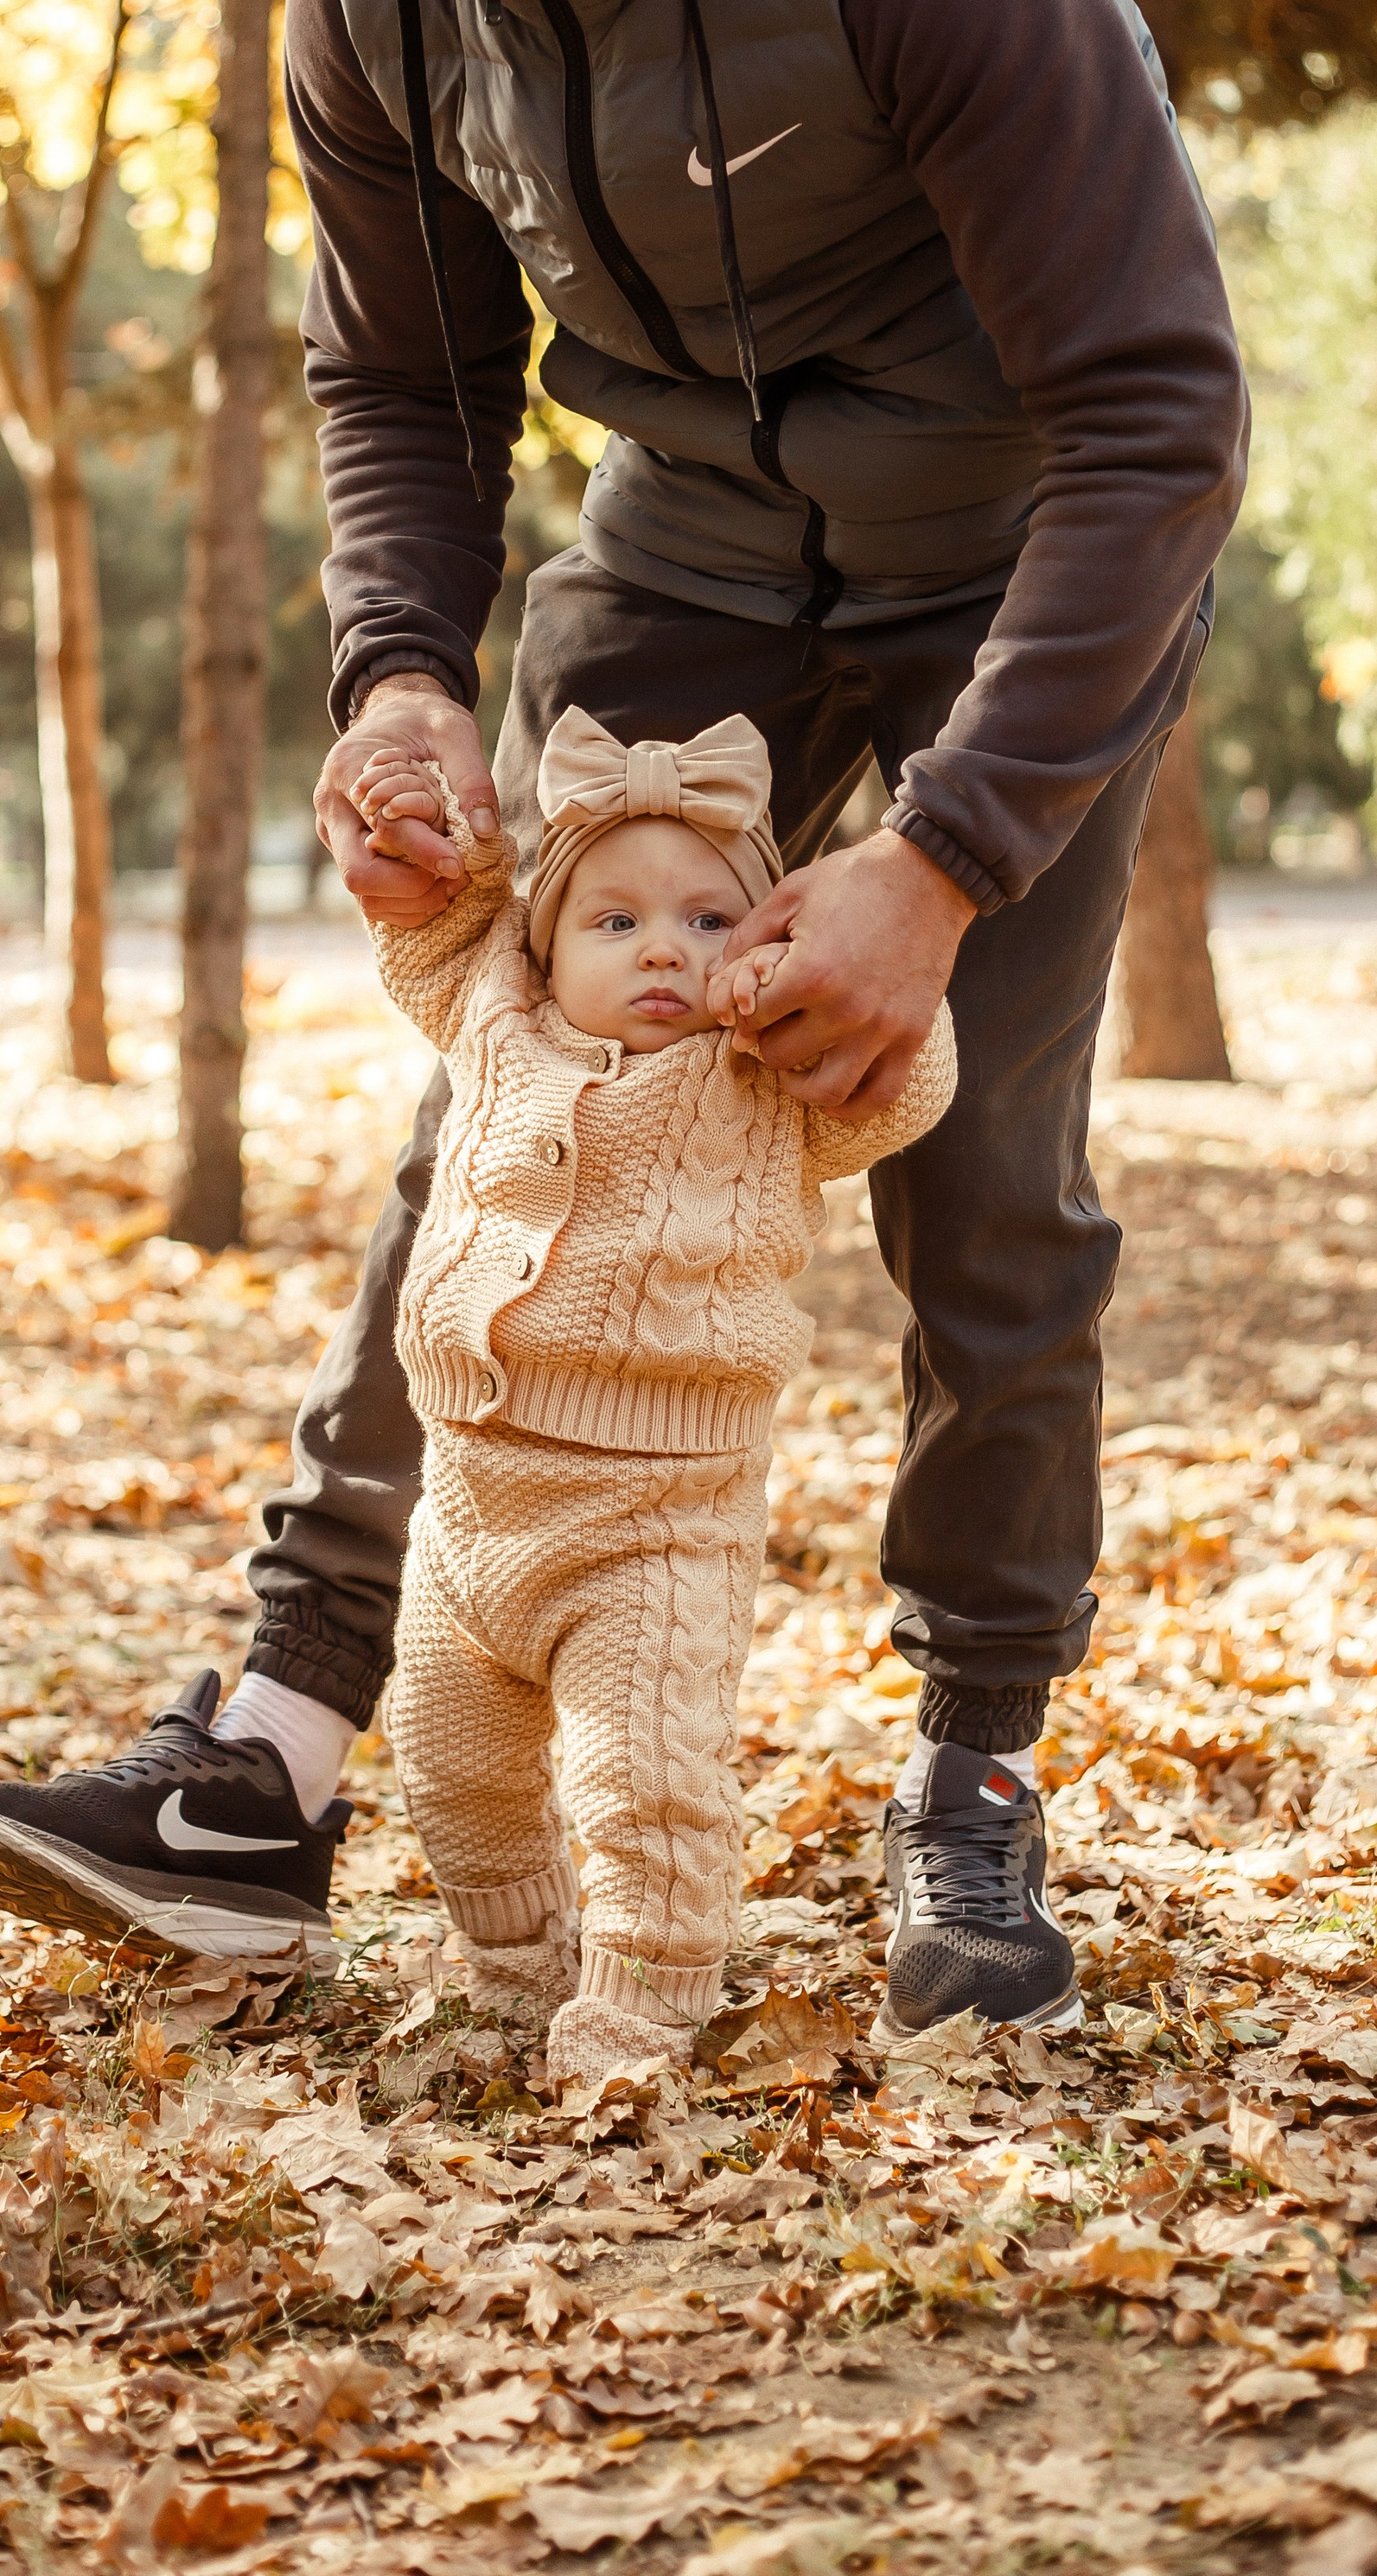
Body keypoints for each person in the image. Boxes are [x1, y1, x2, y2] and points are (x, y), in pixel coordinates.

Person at [0, 0, 1248, 2041]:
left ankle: (973, 1778)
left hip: (1018, 553)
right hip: (687, 548)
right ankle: (271, 1766)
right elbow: (401, 375)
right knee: (511, 1099)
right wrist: (402, 674)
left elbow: (1157, 416)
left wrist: (942, 863)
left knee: (978, 1176)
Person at [354, 707, 954, 2077]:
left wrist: (859, 981)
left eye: (707, 922)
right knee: (448, 1762)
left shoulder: (768, 1074)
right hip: (469, 1506)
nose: (664, 950)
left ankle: (639, 2010)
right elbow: (435, 929)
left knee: (647, 1784)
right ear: (543, 947)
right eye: (614, 923)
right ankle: (515, 1973)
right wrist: (417, 831)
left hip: (657, 1523)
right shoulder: (493, 1015)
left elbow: (901, 1090)